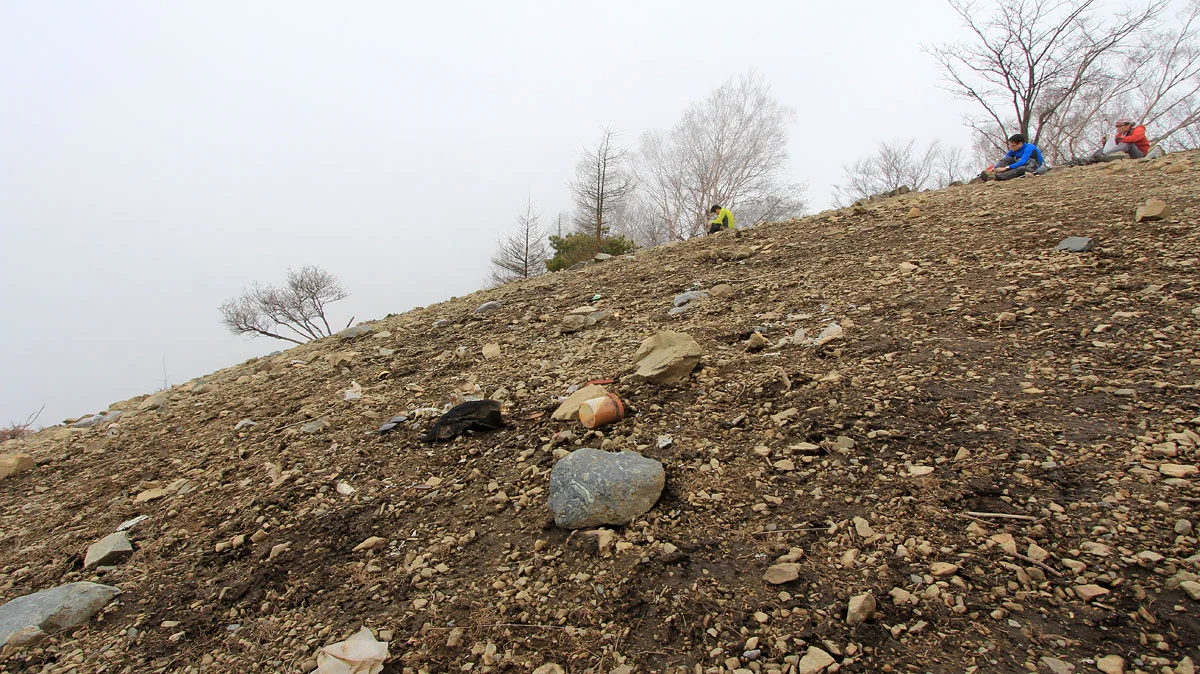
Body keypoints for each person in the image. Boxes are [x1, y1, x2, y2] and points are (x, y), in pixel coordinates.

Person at [1073, 119, 1149, 164]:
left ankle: (1103, 156)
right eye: (1117, 127)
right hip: (1129, 153)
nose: (1118, 129)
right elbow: (1116, 146)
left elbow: (1135, 138)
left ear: (1128, 125)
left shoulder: (1138, 129)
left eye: (1120, 126)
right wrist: (1106, 142)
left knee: (1127, 144)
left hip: (1141, 155)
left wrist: (1120, 139)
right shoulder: (1122, 134)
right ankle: (1088, 159)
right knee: (1102, 149)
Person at [978, 134, 1044, 182]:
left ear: (1020, 144)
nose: (1011, 147)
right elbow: (1005, 159)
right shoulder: (1013, 150)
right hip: (1021, 164)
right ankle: (991, 173)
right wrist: (994, 168)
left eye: (1013, 146)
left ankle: (996, 177)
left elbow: (1022, 162)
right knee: (1007, 160)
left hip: (1032, 166)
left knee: (1020, 169)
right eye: (1010, 145)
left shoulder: (1029, 148)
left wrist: (1006, 168)